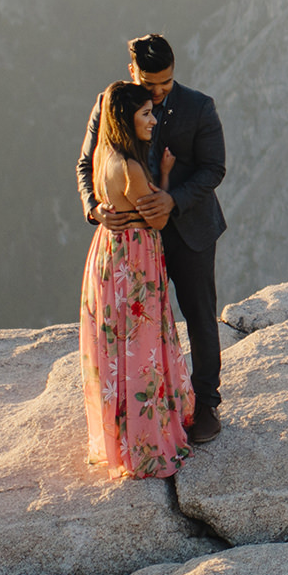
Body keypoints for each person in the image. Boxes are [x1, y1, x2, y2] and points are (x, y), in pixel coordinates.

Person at [77, 33, 229, 443]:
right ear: (132, 72)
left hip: (190, 231)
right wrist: (94, 207)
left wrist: (172, 200)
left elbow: (214, 168)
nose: (159, 93)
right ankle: (156, 408)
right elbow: (87, 162)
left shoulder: (199, 107)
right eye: (150, 84)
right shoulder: (111, 104)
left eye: (166, 83)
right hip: (133, 244)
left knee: (199, 314)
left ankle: (207, 405)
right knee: (145, 325)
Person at [78, 81, 194, 477]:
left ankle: (119, 438)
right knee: (141, 346)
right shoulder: (129, 167)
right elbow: (156, 216)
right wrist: (164, 176)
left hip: (108, 254)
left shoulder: (104, 156)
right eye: (145, 113)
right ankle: (147, 445)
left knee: (116, 344)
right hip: (136, 259)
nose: (153, 119)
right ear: (127, 118)